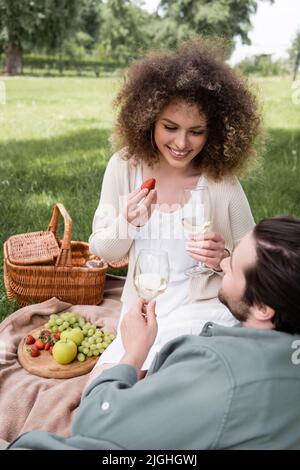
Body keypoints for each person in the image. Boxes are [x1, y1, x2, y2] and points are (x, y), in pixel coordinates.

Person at [8, 216, 300, 450]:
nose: (223, 263)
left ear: (262, 307)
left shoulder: (219, 372)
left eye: (233, 267)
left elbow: (94, 421)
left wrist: (134, 351)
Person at [88, 38, 262, 371]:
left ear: (214, 132)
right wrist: (127, 222)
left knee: (179, 382)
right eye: (170, 128)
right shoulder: (124, 167)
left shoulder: (220, 180)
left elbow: (254, 263)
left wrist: (223, 258)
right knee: (105, 386)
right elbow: (104, 251)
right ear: (148, 119)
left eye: (196, 132)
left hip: (205, 309)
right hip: (142, 312)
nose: (182, 143)